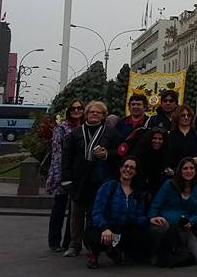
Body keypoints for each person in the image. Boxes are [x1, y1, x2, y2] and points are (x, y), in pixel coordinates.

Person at [61, 101, 120, 258]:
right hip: (79, 179)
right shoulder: (76, 133)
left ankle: (92, 245)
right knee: (76, 215)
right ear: (86, 114)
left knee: (96, 214)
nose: (95, 114)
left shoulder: (111, 133)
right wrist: (66, 179)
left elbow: (120, 153)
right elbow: (67, 157)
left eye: (98, 113)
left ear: (103, 116)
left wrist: (107, 154)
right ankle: (74, 245)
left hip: (100, 180)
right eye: (92, 112)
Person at [85, 156, 149, 268]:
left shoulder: (137, 193)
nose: (128, 169)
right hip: (105, 227)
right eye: (126, 166)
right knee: (96, 235)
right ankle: (93, 255)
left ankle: (118, 251)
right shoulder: (108, 186)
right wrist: (104, 228)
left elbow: (138, 216)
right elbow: (97, 212)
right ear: (120, 168)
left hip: (122, 228)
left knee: (142, 234)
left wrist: (150, 220)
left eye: (132, 168)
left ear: (136, 172)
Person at [149, 157, 197, 264]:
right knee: (161, 227)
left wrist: (191, 222)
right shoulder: (169, 184)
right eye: (185, 168)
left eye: (191, 168)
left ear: (195, 170)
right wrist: (152, 217)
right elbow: (156, 204)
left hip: (184, 227)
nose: (189, 171)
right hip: (167, 225)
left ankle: (177, 251)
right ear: (180, 170)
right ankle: (156, 252)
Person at [46, 99, 83, 253]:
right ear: (69, 111)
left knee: (75, 211)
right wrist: (60, 174)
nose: (76, 111)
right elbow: (57, 152)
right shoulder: (61, 128)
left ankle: (69, 241)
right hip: (64, 172)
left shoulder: (84, 127)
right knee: (59, 208)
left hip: (79, 173)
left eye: (79, 108)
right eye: (73, 108)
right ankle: (54, 241)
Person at [136, 128, 169, 203]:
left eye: (160, 139)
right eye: (154, 138)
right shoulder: (140, 153)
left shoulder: (165, 155)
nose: (157, 141)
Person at [166, 105, 197, 174]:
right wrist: (167, 167)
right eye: (183, 115)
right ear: (177, 117)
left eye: (189, 115)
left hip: (192, 173)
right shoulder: (169, 135)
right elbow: (165, 155)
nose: (186, 117)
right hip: (174, 173)